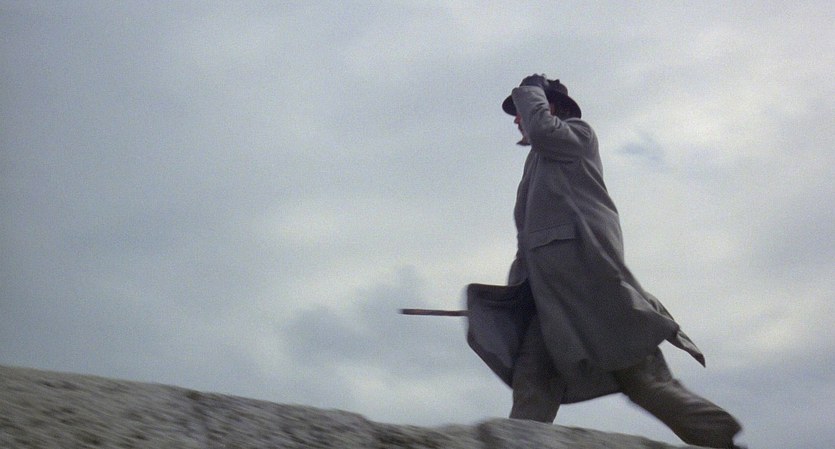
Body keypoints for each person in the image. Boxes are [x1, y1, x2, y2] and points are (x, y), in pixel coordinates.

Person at [465, 74, 743, 448]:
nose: (518, 119)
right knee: (534, 378)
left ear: (550, 108)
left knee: (642, 380)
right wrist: (521, 291)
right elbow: (529, 240)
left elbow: (543, 132)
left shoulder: (577, 136)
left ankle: (719, 437)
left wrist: (530, 90)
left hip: (588, 286)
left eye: (522, 109)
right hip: (549, 296)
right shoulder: (540, 160)